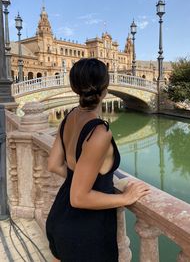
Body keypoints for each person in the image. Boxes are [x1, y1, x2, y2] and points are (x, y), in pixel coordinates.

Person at [46, 58, 150, 262]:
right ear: (105, 88)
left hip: (59, 218)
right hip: (85, 232)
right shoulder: (99, 134)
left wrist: (81, 178)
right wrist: (125, 198)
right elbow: (79, 198)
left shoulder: (69, 117)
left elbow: (54, 164)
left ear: (75, 88)